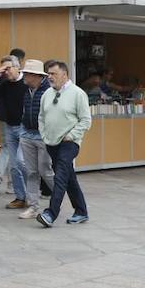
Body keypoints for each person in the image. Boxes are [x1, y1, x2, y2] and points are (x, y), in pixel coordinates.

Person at [36, 60, 92, 227]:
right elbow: (41, 117)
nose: (50, 77)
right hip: (51, 142)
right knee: (68, 177)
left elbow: (86, 120)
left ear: (64, 75)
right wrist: (44, 134)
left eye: (53, 74)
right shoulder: (47, 94)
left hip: (69, 142)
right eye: (48, 74)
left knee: (60, 176)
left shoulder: (78, 93)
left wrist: (72, 135)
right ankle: (81, 211)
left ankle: (51, 213)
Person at [15, 60, 54, 219]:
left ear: (36, 76)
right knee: (31, 172)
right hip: (27, 134)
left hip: (42, 136)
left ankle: (61, 195)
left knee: (45, 170)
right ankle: (33, 207)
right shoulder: (26, 90)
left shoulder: (49, 91)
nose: (24, 76)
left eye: (27, 74)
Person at [0, 55, 27, 204]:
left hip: (24, 127)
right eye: (4, 70)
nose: (6, 73)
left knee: (22, 162)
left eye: (8, 69)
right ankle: (20, 197)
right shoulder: (4, 83)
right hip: (9, 126)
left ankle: (30, 193)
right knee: (15, 165)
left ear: (17, 67)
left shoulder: (26, 82)